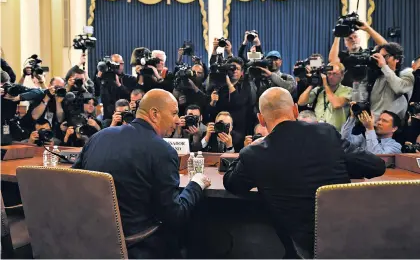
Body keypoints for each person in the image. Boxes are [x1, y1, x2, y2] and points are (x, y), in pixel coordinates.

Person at [223, 87, 385, 259]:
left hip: (300, 247)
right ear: (295, 109)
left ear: (261, 120)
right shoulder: (326, 133)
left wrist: (249, 148)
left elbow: (232, 183)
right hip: (348, 240)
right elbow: (376, 166)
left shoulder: (254, 154)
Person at [73, 89, 211, 258]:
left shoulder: (98, 137)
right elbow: (175, 216)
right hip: (138, 245)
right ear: (154, 114)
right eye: (174, 113)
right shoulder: (162, 151)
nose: (177, 120)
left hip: (90, 243)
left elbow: (73, 182)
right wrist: (196, 184)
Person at [297, 62, 352, 131]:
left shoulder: (347, 90)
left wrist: (326, 85)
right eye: (329, 74)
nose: (331, 77)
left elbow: (336, 104)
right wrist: (311, 84)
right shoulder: (319, 90)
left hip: (336, 133)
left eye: (334, 74)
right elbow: (301, 102)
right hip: (318, 131)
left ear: (342, 75)